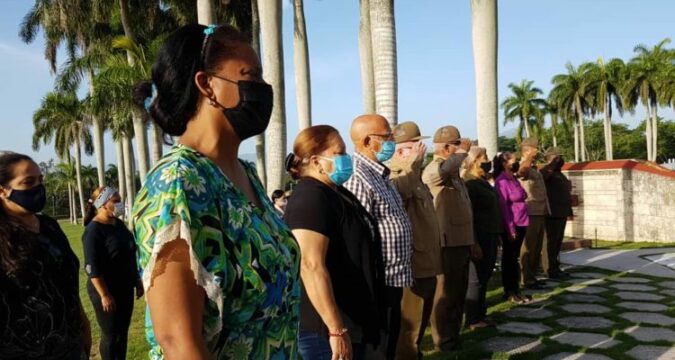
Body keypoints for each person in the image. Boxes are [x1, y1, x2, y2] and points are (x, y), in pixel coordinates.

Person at [131, 24, 300, 359]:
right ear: (207, 84)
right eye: (250, 74)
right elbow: (179, 343)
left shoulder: (245, 174)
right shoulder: (178, 184)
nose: (263, 88)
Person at [284, 125, 386, 360]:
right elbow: (310, 265)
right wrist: (336, 329)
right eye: (339, 153)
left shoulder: (334, 191)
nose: (346, 159)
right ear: (316, 161)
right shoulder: (311, 197)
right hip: (325, 330)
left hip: (352, 319)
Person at [0, 152, 91, 359]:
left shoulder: (50, 227)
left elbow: (67, 283)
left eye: (40, 180)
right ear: (2, 191)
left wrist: (83, 323)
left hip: (69, 345)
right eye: (28, 182)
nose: (38, 188)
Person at [344, 114, 414, 360]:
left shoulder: (380, 175)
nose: (392, 142)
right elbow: (359, 235)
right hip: (377, 280)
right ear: (367, 141)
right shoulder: (357, 176)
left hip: (393, 276)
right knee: (378, 348)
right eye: (387, 137)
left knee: (389, 343)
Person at [388, 121, 442, 360]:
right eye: (415, 146)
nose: (422, 148)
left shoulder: (414, 175)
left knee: (419, 326)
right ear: (400, 151)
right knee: (410, 326)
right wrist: (413, 165)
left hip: (427, 259)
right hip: (413, 263)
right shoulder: (396, 174)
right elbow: (397, 194)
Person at [422, 126, 476, 352]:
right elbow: (442, 171)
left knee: (457, 292)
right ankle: (443, 340)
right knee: (445, 295)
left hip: (461, 241)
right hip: (446, 243)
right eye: (456, 144)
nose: (460, 149)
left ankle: (453, 335)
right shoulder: (434, 170)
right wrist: (462, 152)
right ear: (446, 147)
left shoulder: (454, 175)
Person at [82, 186, 144, 360]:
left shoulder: (119, 225)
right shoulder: (93, 231)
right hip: (105, 291)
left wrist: (137, 280)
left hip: (125, 288)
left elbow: (130, 254)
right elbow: (91, 267)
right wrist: (104, 295)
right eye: (115, 201)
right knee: (110, 335)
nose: (120, 204)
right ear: (102, 204)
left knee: (122, 333)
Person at [462, 146, 502, 330]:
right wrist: (474, 242)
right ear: (475, 160)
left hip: (491, 233)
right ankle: (472, 318)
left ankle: (481, 313)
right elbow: (469, 215)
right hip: (480, 235)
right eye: (484, 158)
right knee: (476, 278)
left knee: (485, 275)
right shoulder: (470, 183)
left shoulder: (483, 181)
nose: (487, 161)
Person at [493, 152, 531, 304]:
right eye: (514, 161)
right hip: (512, 224)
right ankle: (509, 290)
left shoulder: (513, 178)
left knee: (514, 258)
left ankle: (516, 289)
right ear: (504, 163)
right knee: (509, 259)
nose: (517, 164)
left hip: (522, 222)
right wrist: (510, 229)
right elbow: (504, 208)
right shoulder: (501, 182)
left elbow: (524, 194)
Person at [517, 137, 550, 289]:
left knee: (537, 247)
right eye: (536, 148)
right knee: (528, 247)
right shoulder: (523, 165)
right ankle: (526, 278)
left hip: (540, 211)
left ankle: (533, 276)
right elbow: (522, 172)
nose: (539, 150)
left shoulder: (533, 166)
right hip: (530, 212)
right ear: (528, 149)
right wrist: (529, 158)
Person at [540, 147, 572, 279]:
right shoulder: (546, 171)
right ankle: (549, 269)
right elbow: (543, 178)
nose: (561, 160)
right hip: (551, 213)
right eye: (558, 157)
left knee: (557, 243)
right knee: (551, 243)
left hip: (561, 212)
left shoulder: (559, 173)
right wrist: (551, 165)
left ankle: (555, 267)